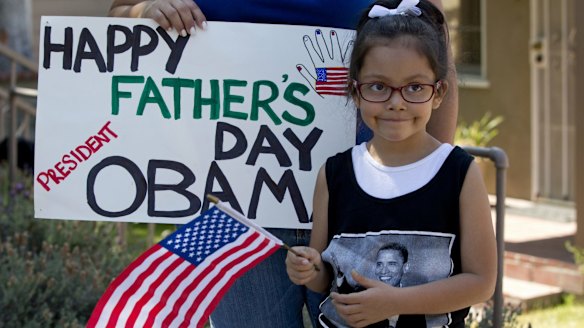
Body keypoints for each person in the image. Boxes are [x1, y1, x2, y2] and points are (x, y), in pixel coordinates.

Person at [108, 1, 458, 327]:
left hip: (369, 204)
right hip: (234, 208)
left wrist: (433, 182)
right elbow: (122, 13)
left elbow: (437, 54)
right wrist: (146, 11)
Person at [285, 0, 497, 327]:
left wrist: (396, 302)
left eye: (414, 87)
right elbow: (326, 276)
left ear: (438, 92)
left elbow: (481, 281)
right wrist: (309, 269)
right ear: (355, 92)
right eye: (378, 87)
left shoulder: (459, 172)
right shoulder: (334, 174)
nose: (396, 103)